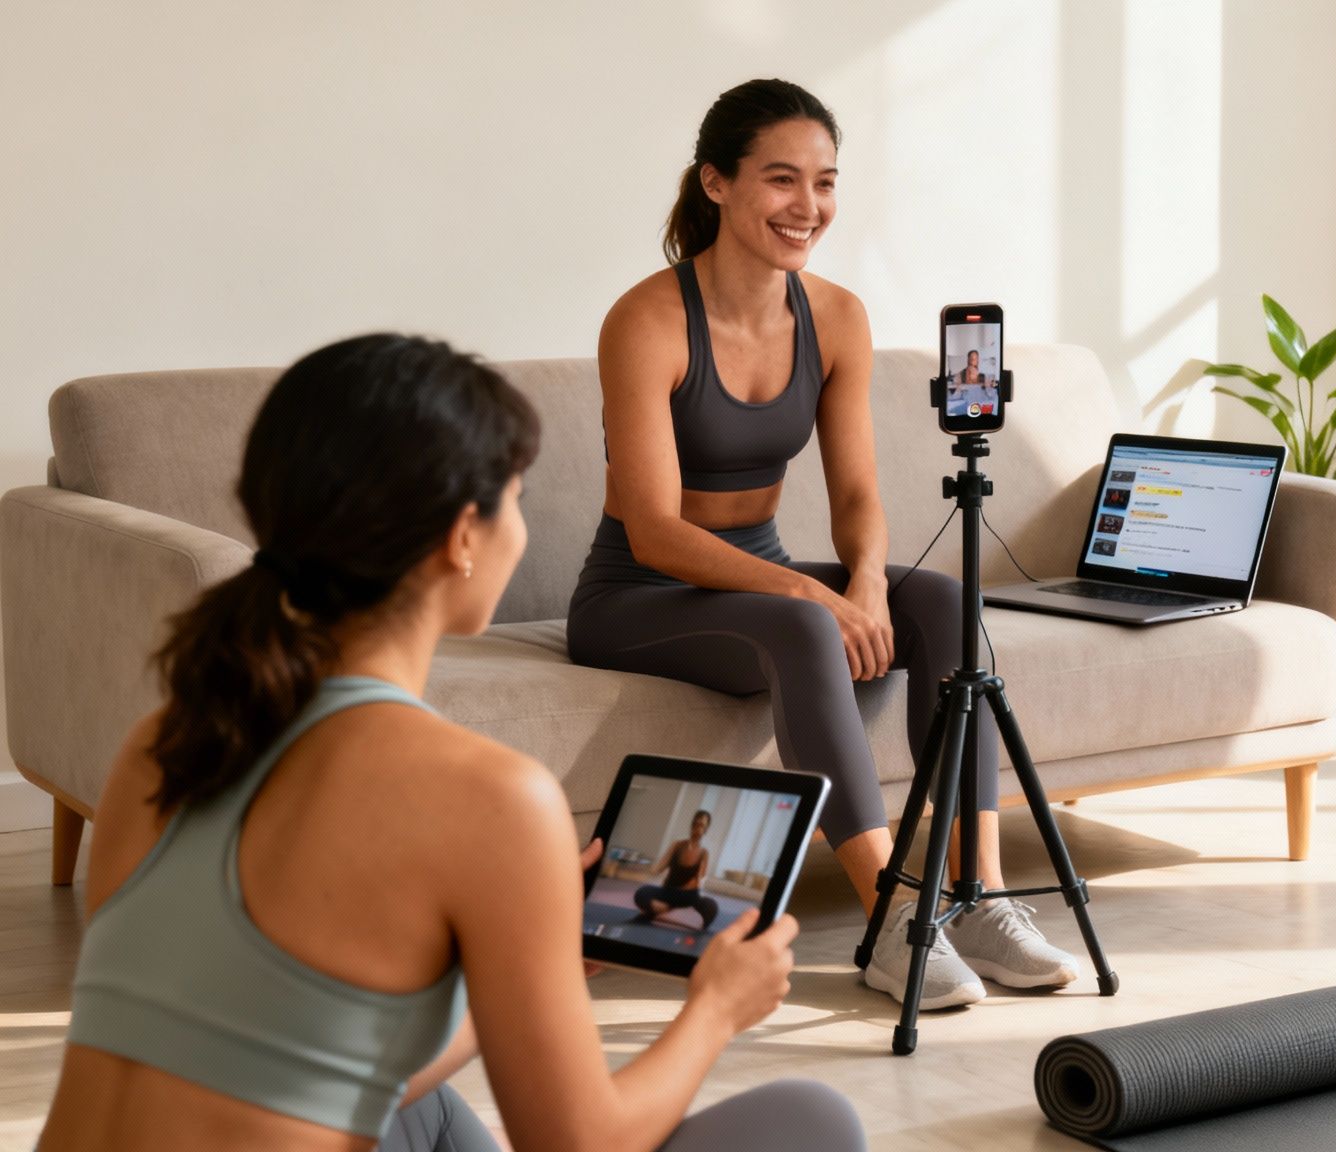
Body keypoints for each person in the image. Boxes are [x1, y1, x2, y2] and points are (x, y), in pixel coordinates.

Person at [36, 335, 866, 1152]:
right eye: (517, 498)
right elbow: (581, 1142)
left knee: (412, 1106)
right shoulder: (491, 795)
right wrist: (717, 1007)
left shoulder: (165, 745)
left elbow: (283, 1060)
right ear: (463, 535)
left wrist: (542, 962)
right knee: (811, 1120)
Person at [564, 78, 1077, 1010]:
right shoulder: (646, 320)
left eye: (825, 182)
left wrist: (867, 579)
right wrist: (811, 594)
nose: (808, 206)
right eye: (781, 179)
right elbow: (655, 530)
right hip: (638, 594)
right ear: (716, 183)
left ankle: (978, 896)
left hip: (752, 583)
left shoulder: (836, 316)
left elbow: (857, 493)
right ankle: (895, 921)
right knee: (803, 625)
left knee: (940, 599)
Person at [632, 809, 721, 929]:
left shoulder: (704, 853)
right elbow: (659, 868)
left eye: (702, 825)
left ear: (706, 829)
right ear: (692, 824)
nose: (698, 827)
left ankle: (661, 909)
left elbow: (701, 879)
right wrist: (646, 868)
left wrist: (696, 886)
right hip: (668, 891)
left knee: (712, 907)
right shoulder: (677, 845)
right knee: (641, 893)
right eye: (696, 823)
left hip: (688, 896)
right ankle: (664, 908)